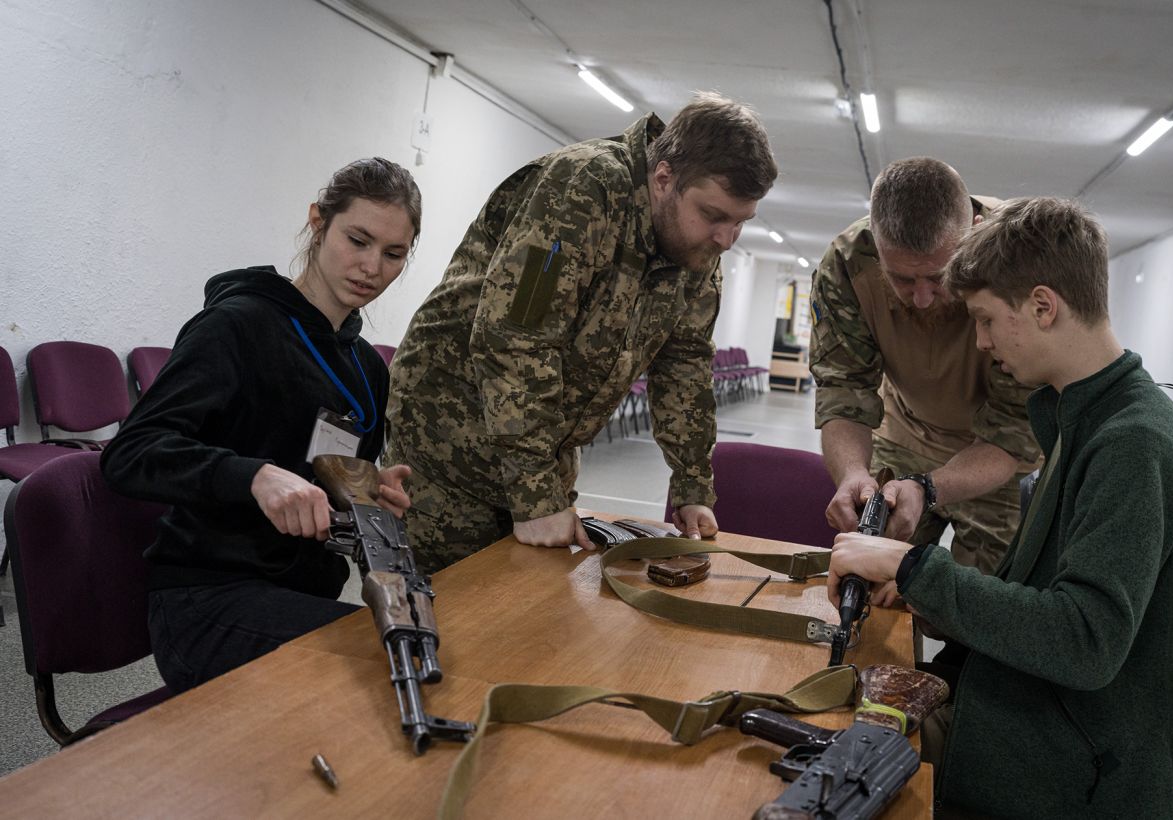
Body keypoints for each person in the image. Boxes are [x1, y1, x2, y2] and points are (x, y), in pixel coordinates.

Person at [827, 197, 1173, 818]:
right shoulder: (1086, 420)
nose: (981, 342)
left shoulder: (1133, 444)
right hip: (1044, 729)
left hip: (1091, 778)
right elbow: (1041, 599)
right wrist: (936, 601)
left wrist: (913, 569)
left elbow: (1083, 640)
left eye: (986, 319)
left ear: (1043, 306)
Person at [386, 92, 777, 573]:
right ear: (664, 178)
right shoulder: (585, 186)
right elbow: (514, 339)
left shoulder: (696, 255)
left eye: (741, 222)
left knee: (525, 618)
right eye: (714, 215)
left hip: (541, 453)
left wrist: (692, 487)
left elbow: (686, 369)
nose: (725, 239)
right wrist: (536, 495)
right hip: (447, 447)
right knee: (437, 616)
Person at [101, 158, 420, 693]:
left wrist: (363, 492)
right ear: (318, 223)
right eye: (358, 240)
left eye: (393, 255)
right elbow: (131, 452)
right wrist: (253, 476)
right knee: (380, 664)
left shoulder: (366, 368)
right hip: (206, 599)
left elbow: (318, 471)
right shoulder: (236, 326)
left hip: (300, 593)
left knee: (414, 645)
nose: (371, 267)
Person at [810, 157, 1039, 579]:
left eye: (938, 277)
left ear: (971, 228)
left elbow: (1012, 431)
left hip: (1000, 462)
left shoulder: (1020, 263)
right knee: (871, 582)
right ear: (877, 247)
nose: (921, 298)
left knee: (984, 610)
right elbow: (843, 390)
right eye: (900, 279)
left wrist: (930, 488)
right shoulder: (847, 263)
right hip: (905, 431)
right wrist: (853, 475)